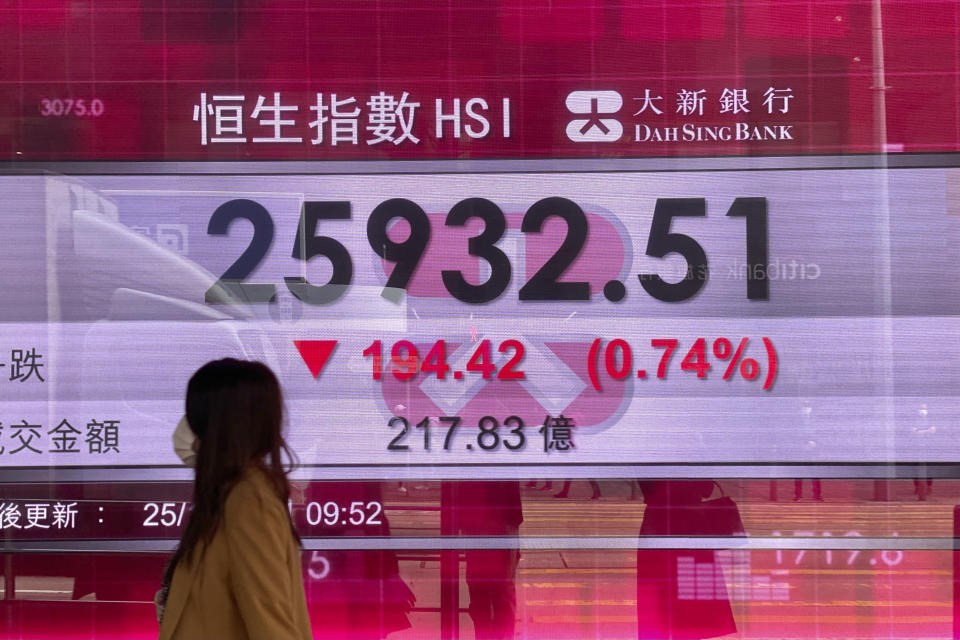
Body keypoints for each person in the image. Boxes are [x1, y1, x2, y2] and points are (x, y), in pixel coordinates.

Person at [157, 358, 312, 640]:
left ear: (217, 425)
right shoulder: (227, 494)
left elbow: (269, 620)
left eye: (194, 417)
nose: (187, 431)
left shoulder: (248, 500)